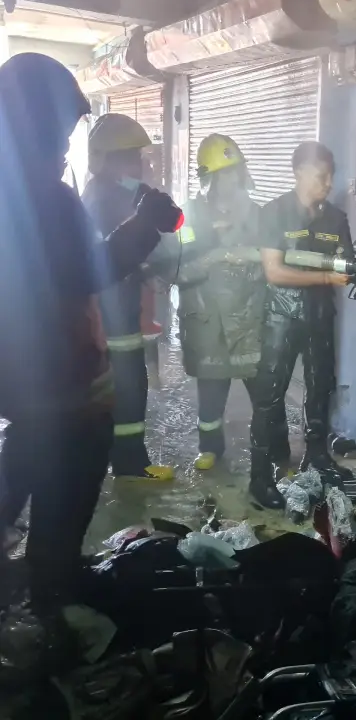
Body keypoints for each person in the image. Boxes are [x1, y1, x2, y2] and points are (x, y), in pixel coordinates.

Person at [0, 53, 181, 607]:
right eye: (58, 133)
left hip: (22, 384)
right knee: (64, 492)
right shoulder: (43, 196)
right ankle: (51, 601)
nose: (63, 147)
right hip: (60, 385)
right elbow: (86, 270)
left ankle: (31, 582)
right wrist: (146, 224)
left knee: (22, 462)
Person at [250, 141, 356, 509]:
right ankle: (260, 477)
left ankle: (316, 456)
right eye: (322, 175)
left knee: (320, 388)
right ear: (298, 172)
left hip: (320, 316)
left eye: (332, 175)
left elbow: (351, 268)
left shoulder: (335, 218)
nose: (329, 183)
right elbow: (274, 272)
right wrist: (324, 278)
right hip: (281, 317)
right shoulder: (274, 213)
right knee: (270, 395)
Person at [151, 134, 267, 472]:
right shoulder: (188, 215)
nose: (230, 180)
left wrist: (252, 263)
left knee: (264, 392)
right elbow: (169, 266)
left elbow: (273, 260)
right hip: (207, 319)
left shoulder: (257, 214)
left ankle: (270, 449)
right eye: (223, 173)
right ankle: (210, 448)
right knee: (211, 389)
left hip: (249, 319)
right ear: (209, 178)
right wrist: (209, 260)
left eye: (234, 172)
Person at [82, 113, 174, 480]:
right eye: (132, 158)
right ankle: (130, 464)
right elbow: (115, 256)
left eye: (139, 156)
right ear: (107, 161)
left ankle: (126, 460)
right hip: (113, 313)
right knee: (129, 385)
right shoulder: (104, 200)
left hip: (119, 308)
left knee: (130, 382)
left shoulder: (115, 194)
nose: (140, 165)